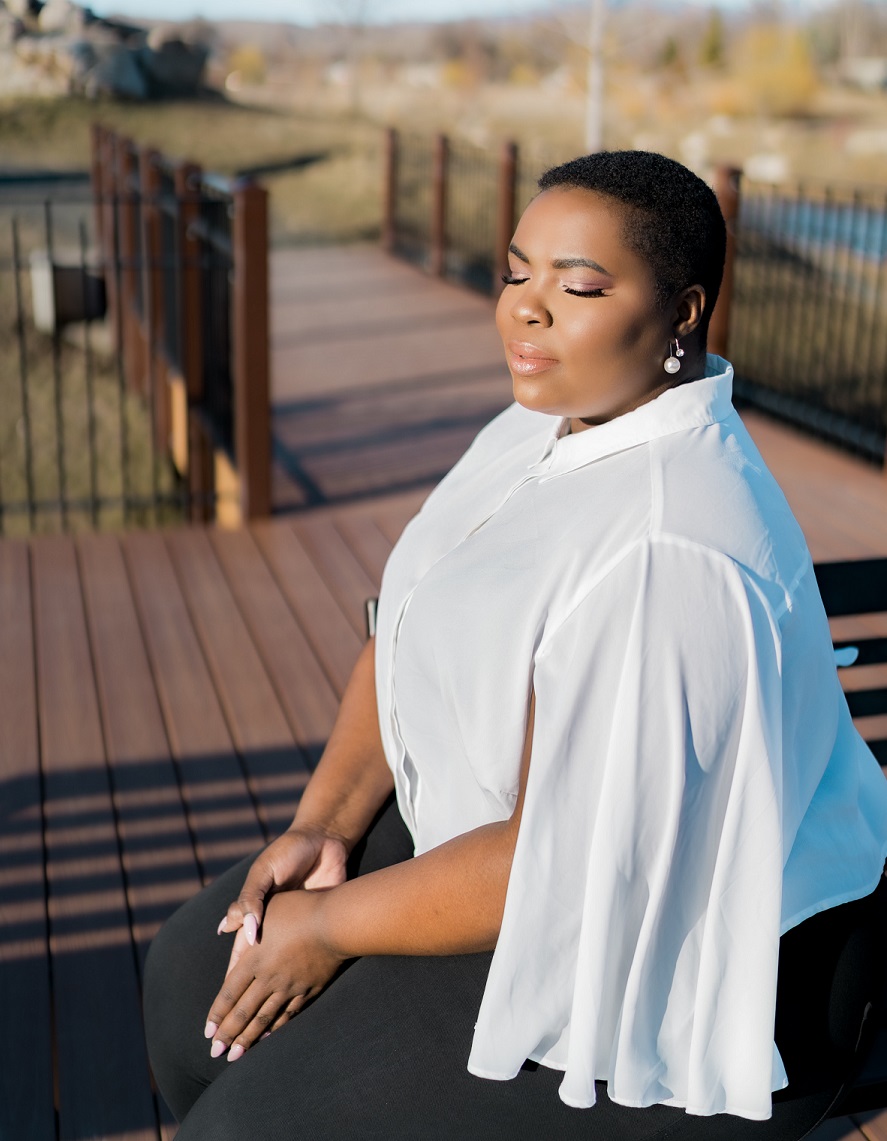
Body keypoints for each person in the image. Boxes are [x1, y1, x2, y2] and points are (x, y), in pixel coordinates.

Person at [144, 151, 887, 1140]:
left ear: (680, 311)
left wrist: (325, 925)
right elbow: (402, 625)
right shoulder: (536, 423)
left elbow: (561, 865)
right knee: (192, 978)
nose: (525, 310)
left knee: (246, 1127)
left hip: (674, 955)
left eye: (576, 285)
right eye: (515, 271)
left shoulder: (668, 548)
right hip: (509, 837)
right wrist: (322, 820)